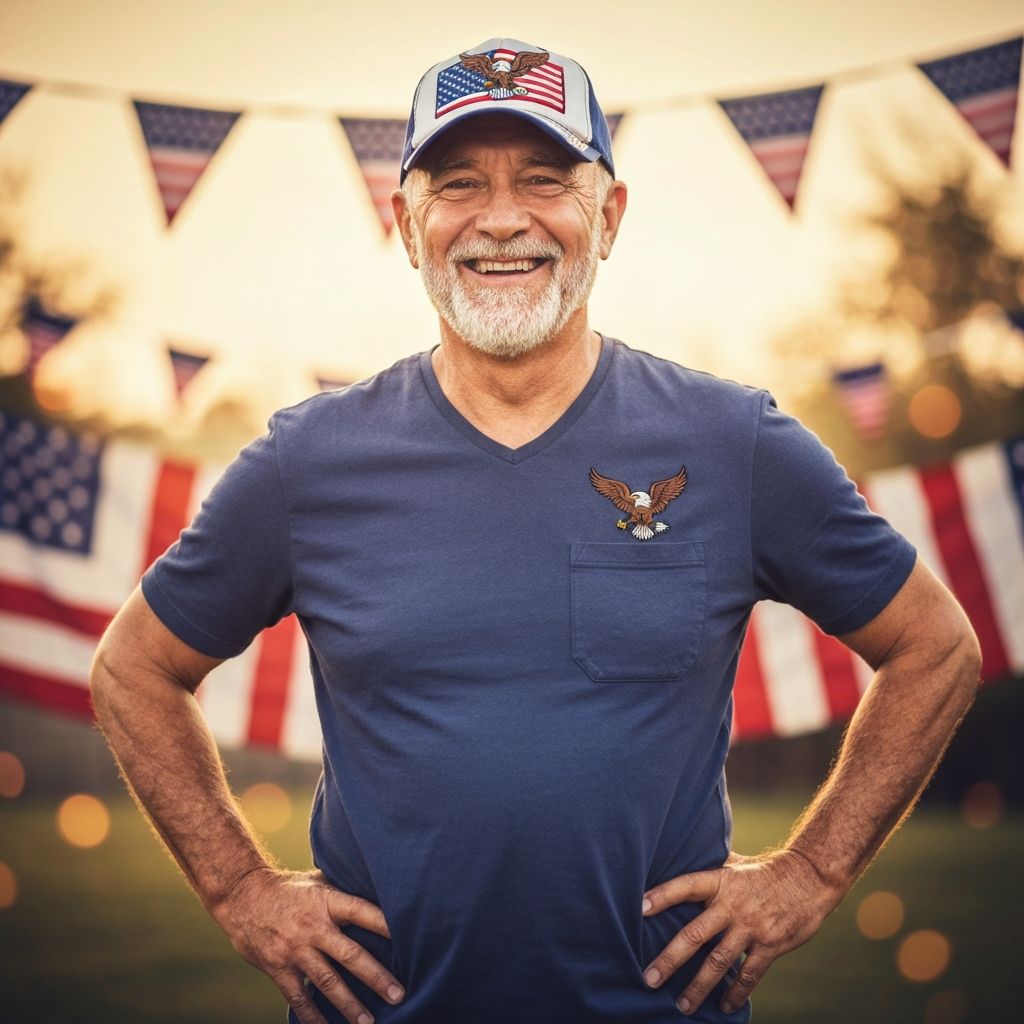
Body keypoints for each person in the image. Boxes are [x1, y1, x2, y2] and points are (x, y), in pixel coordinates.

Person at [90, 36, 980, 1024]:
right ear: (406, 222)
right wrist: (237, 889)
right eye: (458, 183)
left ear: (610, 215)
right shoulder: (311, 460)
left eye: (546, 179)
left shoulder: (735, 442)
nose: (502, 218)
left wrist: (809, 872)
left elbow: (933, 646)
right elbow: (134, 666)